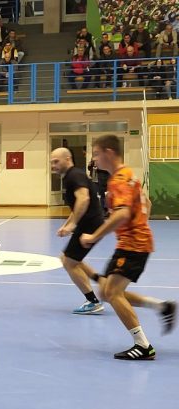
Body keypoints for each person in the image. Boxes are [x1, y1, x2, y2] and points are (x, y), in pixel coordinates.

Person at [79, 135, 176, 360]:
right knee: (106, 292)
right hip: (133, 241)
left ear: (109, 152)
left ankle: (143, 346)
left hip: (133, 244)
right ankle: (162, 307)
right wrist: (140, 224)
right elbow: (147, 203)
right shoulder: (130, 175)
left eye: (96, 153)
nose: (94, 159)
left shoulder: (119, 180)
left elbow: (121, 214)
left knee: (112, 293)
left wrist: (94, 236)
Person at [50, 147, 105, 315]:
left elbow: (84, 199)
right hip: (88, 223)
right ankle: (101, 281)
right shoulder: (71, 176)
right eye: (51, 162)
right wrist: (67, 224)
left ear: (68, 159)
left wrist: (73, 225)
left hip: (90, 224)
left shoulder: (74, 175)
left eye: (56, 161)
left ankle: (93, 302)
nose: (53, 165)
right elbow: (76, 207)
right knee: (68, 258)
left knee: (69, 262)